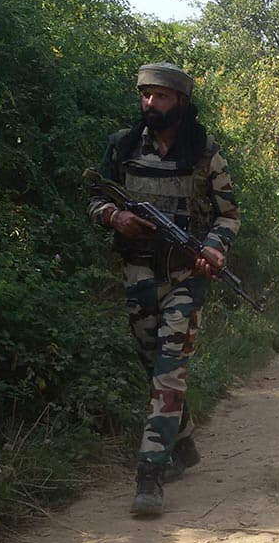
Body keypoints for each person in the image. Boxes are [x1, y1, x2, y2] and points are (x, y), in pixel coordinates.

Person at [87, 62, 241, 516]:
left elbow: (229, 215)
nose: (150, 104)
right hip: (138, 274)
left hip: (186, 278)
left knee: (170, 371)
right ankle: (185, 442)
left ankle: (149, 476)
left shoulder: (205, 154)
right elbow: (94, 196)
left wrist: (212, 248)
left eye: (161, 97)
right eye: (146, 96)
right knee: (153, 366)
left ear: (181, 102)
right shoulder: (123, 146)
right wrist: (115, 217)